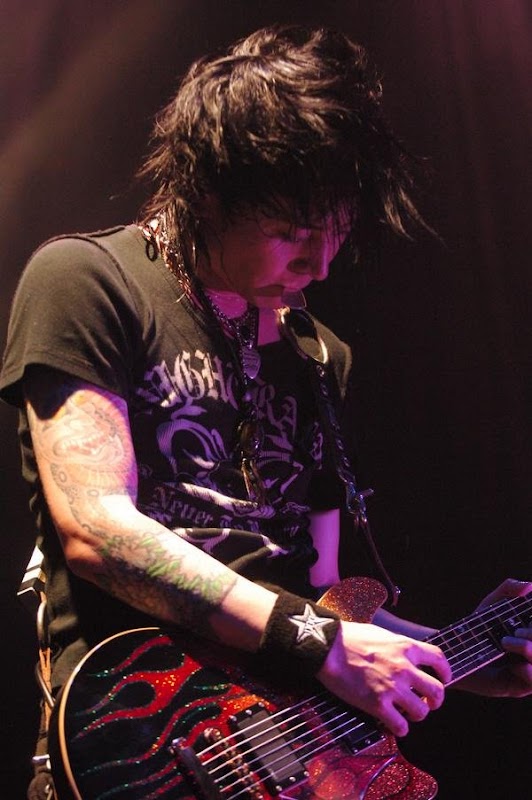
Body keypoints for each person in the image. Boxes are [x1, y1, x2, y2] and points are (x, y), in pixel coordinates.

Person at [1, 24, 530, 800]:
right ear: (208, 194)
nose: (319, 264)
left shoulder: (319, 358)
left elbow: (321, 591)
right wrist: (318, 643)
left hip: (284, 749)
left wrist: (457, 652)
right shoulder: (87, 280)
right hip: (147, 737)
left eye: (336, 235)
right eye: (291, 234)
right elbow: (97, 528)